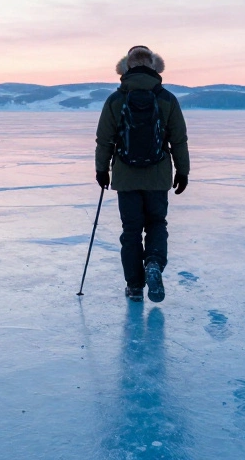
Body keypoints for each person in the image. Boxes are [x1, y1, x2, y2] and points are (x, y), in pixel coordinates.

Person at [95, 46, 190, 302]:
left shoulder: (115, 100)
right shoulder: (167, 98)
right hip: (158, 176)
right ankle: (154, 264)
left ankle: (135, 287)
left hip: (126, 177)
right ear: (155, 67)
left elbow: (104, 140)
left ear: (126, 67)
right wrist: (183, 171)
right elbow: (179, 140)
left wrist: (102, 170)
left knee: (131, 230)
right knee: (157, 223)